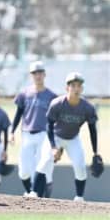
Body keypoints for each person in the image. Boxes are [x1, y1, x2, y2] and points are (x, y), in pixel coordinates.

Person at [32, 72, 99, 201]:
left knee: (80, 167)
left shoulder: (87, 107)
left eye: (79, 86)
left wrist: (95, 152)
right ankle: (33, 193)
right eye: (73, 85)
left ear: (82, 89)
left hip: (73, 138)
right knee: (45, 161)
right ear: (67, 88)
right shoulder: (57, 103)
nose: (76, 89)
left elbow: (92, 130)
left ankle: (79, 197)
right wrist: (53, 147)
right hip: (56, 136)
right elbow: (49, 126)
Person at [10, 61, 57, 197]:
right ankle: (30, 191)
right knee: (23, 171)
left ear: (44, 74)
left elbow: (54, 119)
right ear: (31, 75)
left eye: (40, 72)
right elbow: (18, 113)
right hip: (26, 134)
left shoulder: (52, 96)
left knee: (41, 166)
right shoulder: (24, 93)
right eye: (35, 73)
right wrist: (11, 132)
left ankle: (38, 196)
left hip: (44, 135)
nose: (38, 75)